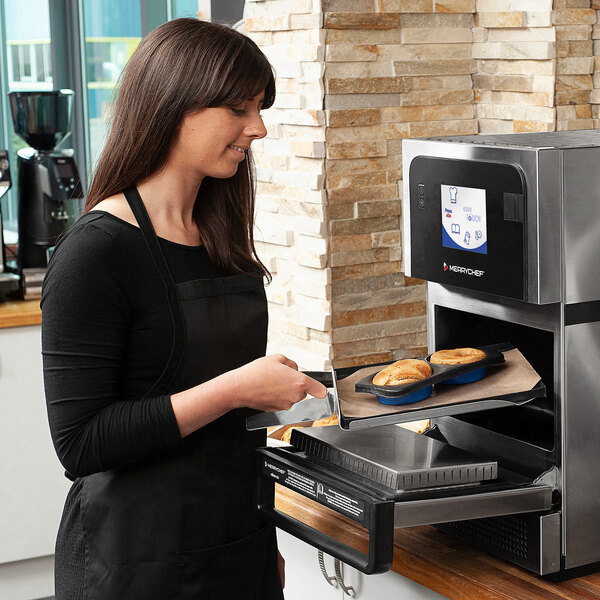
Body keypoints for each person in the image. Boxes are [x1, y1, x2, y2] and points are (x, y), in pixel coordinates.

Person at [41, 18, 327, 600]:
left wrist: (263, 541)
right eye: (240, 110)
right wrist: (237, 388)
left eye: (260, 108)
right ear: (177, 106)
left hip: (233, 544)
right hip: (132, 564)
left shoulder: (220, 239)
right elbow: (81, 443)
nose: (260, 128)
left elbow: (227, 431)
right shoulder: (97, 252)